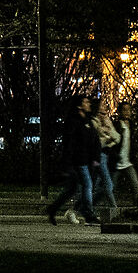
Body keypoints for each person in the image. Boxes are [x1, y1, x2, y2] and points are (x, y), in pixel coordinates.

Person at [46, 94, 100, 225]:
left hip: (84, 159)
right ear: (79, 105)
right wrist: (67, 162)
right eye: (86, 102)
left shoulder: (86, 120)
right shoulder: (74, 121)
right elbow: (69, 143)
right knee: (87, 185)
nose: (88, 105)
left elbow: (94, 139)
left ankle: (53, 209)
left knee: (72, 189)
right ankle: (88, 213)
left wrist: (94, 156)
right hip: (78, 160)